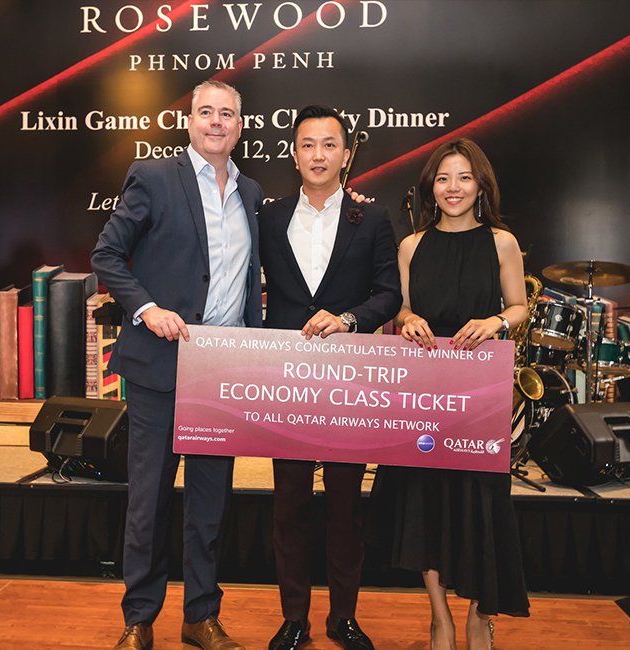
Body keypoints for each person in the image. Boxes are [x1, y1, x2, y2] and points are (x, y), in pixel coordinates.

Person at [91, 79, 261, 650]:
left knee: (211, 502)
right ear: (190, 122)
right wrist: (146, 309)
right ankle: (139, 618)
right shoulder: (154, 177)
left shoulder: (251, 193)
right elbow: (106, 254)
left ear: (240, 127)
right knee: (150, 498)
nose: (216, 121)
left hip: (223, 370)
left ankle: (201, 617)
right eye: (206, 112)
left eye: (227, 114)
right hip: (160, 364)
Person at [367, 139, 530, 650]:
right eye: (443, 178)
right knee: (426, 506)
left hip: (480, 395)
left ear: (480, 185)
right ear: (430, 188)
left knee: (482, 504)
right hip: (425, 395)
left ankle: (481, 613)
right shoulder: (411, 246)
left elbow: (520, 306)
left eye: (463, 177)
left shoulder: (501, 242)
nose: (452, 188)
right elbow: (400, 309)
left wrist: (495, 321)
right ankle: (439, 618)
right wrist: (408, 319)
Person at [260, 105, 402, 650]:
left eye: (329, 144)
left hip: (349, 383)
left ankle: (343, 617)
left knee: (346, 508)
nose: (318, 154)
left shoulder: (373, 218)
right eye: (307, 144)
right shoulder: (269, 218)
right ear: (294, 155)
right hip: (286, 381)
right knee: (289, 506)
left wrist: (348, 319)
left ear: (346, 154)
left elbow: (388, 294)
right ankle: (293, 618)